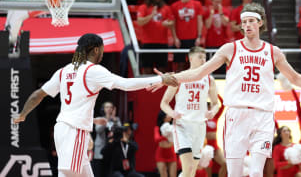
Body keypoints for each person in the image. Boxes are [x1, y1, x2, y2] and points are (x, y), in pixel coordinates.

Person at [151, 2, 301, 177]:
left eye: (251, 21)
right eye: (244, 22)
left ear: (260, 23)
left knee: (255, 172)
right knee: (235, 173)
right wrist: (169, 78)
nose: (247, 25)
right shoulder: (230, 49)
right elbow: (199, 73)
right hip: (237, 116)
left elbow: (294, 77)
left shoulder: (273, 51)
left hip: (263, 116)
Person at [13, 33, 178, 177]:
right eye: (103, 48)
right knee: (68, 174)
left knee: (79, 173)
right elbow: (126, 84)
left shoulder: (64, 71)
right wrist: (160, 79)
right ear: (96, 49)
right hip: (75, 129)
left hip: (62, 128)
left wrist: (22, 114)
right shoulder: (93, 70)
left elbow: (38, 94)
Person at [160, 46, 219, 177]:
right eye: (200, 57)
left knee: (192, 172)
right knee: (189, 168)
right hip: (183, 125)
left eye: (205, 57)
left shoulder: (209, 79)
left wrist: (212, 112)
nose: (203, 60)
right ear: (190, 58)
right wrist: (172, 113)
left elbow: (216, 104)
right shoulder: (179, 77)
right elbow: (164, 103)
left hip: (199, 126)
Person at [137, 0, 174, 74]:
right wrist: (151, 15)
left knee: (161, 69)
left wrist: (168, 24)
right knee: (146, 69)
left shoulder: (166, 8)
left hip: (162, 43)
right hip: (147, 43)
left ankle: (161, 87)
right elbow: (140, 22)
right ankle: (146, 86)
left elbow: (171, 22)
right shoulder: (143, 7)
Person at [171, 0, 203, 71]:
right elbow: (173, 24)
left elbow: (199, 21)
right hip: (180, 39)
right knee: (180, 64)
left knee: (195, 64)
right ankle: (179, 84)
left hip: (193, 38)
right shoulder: (174, 6)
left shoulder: (197, 4)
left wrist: (199, 37)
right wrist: (175, 38)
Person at [92, 101, 121, 177]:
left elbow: (120, 132)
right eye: (107, 107)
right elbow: (98, 130)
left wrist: (114, 121)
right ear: (103, 109)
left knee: (109, 173)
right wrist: (106, 119)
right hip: (101, 149)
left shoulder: (116, 119)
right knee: (99, 172)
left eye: (111, 107)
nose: (109, 109)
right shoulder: (100, 119)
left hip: (111, 150)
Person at [205, 95, 226, 177]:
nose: (209, 109)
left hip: (215, 146)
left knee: (224, 163)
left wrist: (215, 94)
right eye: (207, 108)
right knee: (208, 168)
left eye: (210, 107)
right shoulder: (202, 118)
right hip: (206, 147)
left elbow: (223, 105)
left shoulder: (215, 117)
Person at [154, 111, 177, 177]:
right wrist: (166, 136)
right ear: (163, 117)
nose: (170, 116)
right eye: (168, 114)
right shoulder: (157, 128)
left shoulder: (172, 126)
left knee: (173, 175)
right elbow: (157, 139)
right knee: (163, 175)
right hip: (161, 153)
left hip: (171, 153)